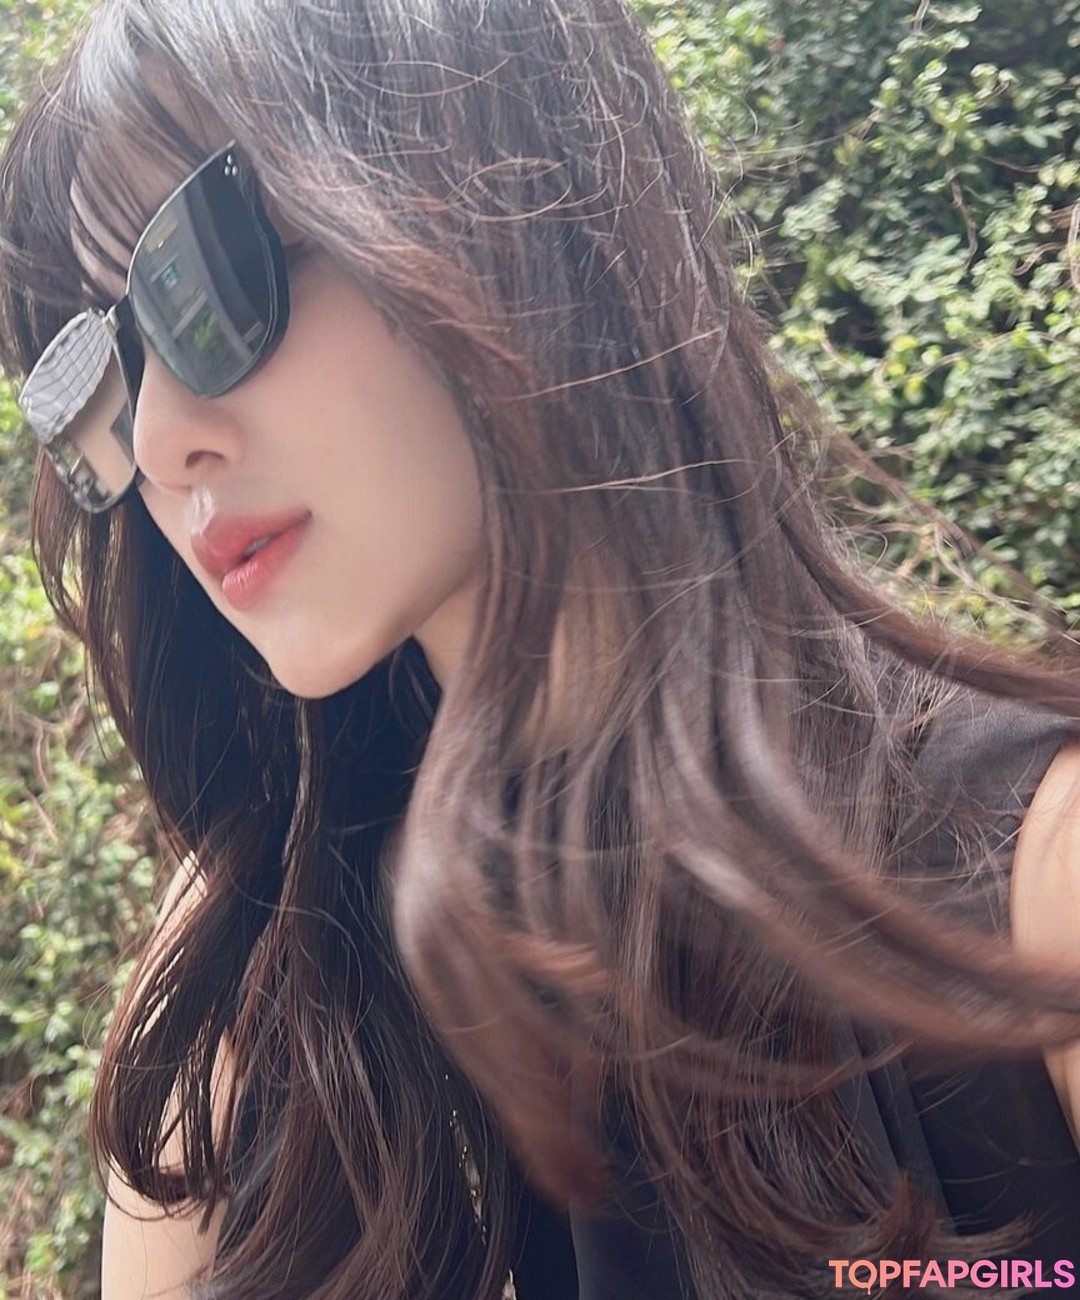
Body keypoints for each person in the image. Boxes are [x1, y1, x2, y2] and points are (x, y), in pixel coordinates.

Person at [2, 1, 1080, 1296]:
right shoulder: (248, 963)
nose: (161, 439)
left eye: (205, 274)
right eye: (113, 362)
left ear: (495, 183)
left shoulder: (1029, 878)